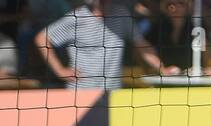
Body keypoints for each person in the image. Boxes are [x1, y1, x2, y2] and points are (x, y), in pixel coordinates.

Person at [36, 0, 172, 88]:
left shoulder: (121, 14)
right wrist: (59, 70)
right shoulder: (77, 18)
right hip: (81, 93)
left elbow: (142, 45)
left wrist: (161, 68)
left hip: (112, 92)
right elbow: (42, 38)